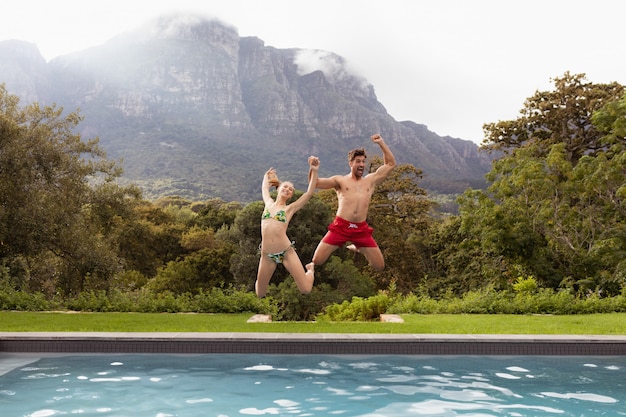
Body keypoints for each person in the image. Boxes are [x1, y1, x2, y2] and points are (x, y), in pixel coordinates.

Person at [310, 133, 396, 271]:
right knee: (317, 260)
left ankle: (359, 248)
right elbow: (315, 183)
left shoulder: (370, 181)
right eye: (358, 161)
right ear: (351, 163)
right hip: (341, 227)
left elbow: (390, 164)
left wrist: (381, 143)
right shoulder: (340, 181)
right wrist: (313, 169)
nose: (361, 164)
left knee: (379, 266)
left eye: (363, 161)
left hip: (361, 230)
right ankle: (347, 244)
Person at [256, 156, 320, 297]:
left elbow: (309, 193)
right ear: (278, 189)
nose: (287, 189)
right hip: (267, 255)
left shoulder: (290, 209)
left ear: (291, 195)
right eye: (285, 186)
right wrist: (266, 176)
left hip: (286, 252)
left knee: (305, 289)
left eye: (291, 189)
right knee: (259, 293)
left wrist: (314, 170)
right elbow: (264, 188)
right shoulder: (268, 203)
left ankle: (310, 270)